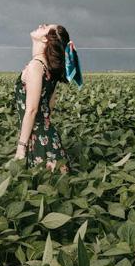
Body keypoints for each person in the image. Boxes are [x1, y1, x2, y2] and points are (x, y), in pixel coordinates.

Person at [13, 23, 83, 174]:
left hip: (38, 143)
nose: (41, 25)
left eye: (45, 27)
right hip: (49, 139)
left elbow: (31, 110)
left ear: (45, 39)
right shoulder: (49, 68)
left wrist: (21, 146)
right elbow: (49, 106)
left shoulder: (35, 66)